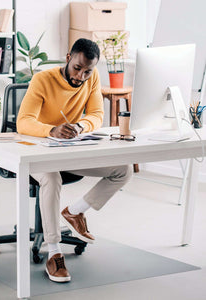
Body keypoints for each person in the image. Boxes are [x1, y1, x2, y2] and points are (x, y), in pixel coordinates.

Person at [17, 38, 132, 283]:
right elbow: (23, 122)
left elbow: (96, 115)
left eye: (87, 71)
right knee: (50, 176)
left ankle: (75, 212)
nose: (81, 76)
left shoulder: (92, 78)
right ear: (68, 57)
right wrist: (51, 130)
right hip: (38, 151)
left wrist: (80, 126)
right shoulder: (42, 80)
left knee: (123, 169)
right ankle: (54, 252)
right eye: (77, 68)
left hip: (67, 149)